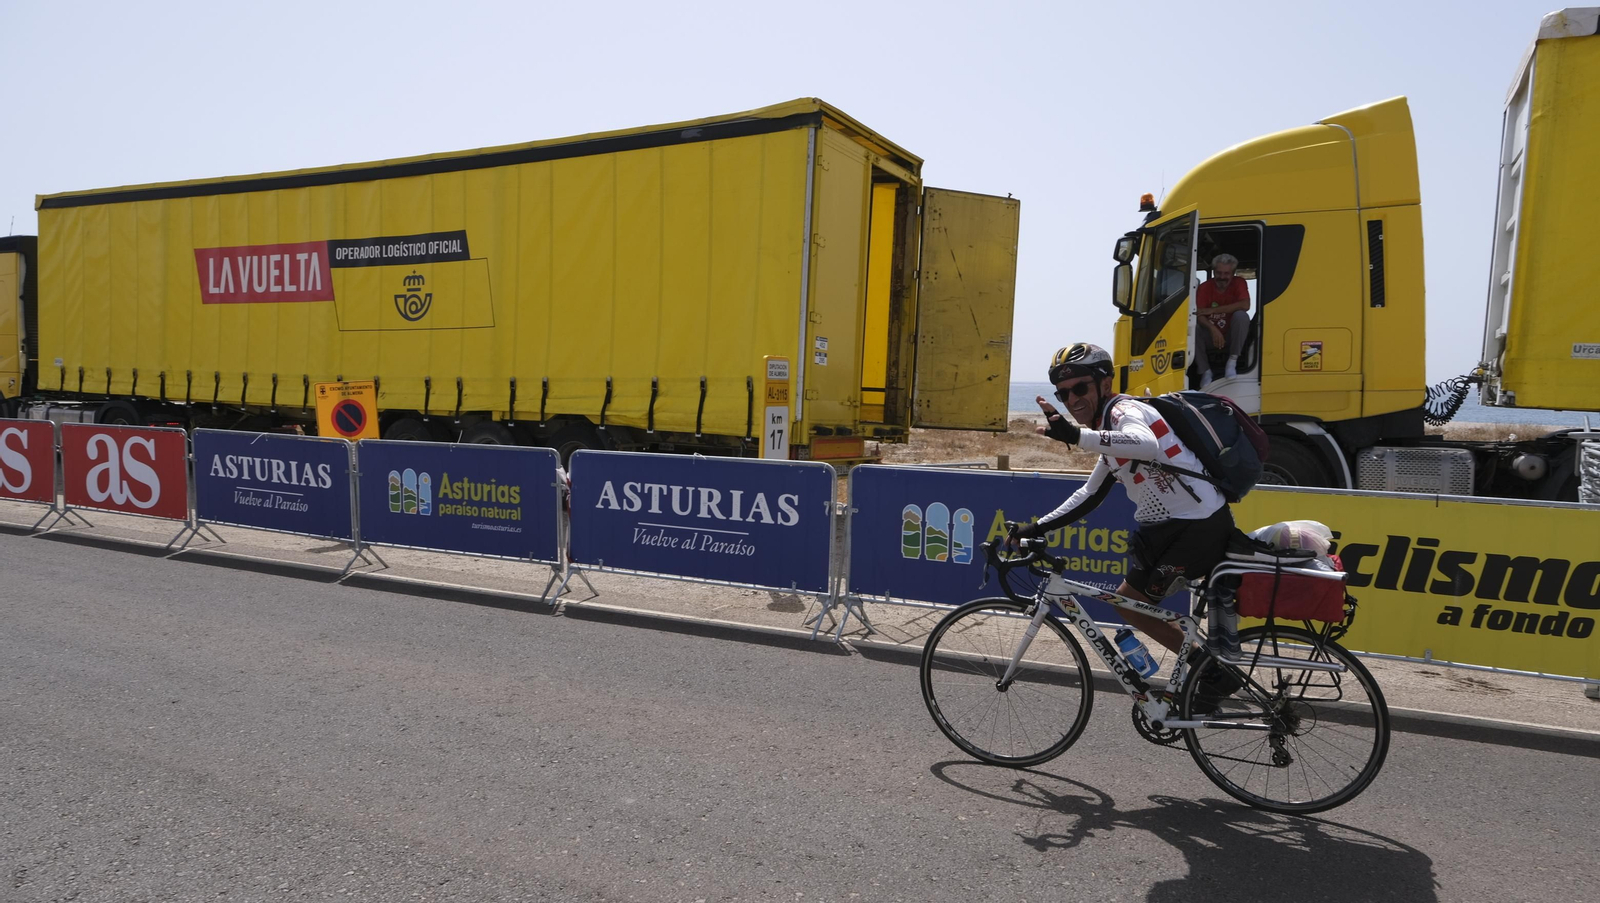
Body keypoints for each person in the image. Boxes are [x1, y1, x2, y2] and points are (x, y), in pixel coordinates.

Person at [1019, 343, 1235, 667]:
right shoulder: (1109, 431)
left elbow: (1145, 445)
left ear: (1105, 384)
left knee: (1133, 606)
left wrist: (1078, 437)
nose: (1073, 399)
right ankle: (1207, 674)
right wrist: (1037, 526)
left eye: (1080, 388)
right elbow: (1089, 495)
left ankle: (1212, 677)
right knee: (1126, 605)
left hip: (1196, 525)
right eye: (1064, 394)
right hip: (1173, 527)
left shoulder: (1124, 412)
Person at [1195, 253, 1251, 387]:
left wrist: (1213, 310)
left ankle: (1232, 361)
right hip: (1210, 336)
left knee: (1241, 316)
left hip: (1232, 337)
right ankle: (1205, 371)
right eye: (1218, 273)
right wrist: (1213, 329)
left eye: (1226, 273)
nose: (1222, 277)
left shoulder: (1239, 283)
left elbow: (1245, 305)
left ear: (1233, 273)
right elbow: (1199, 313)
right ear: (1214, 272)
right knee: (1192, 327)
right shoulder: (1205, 287)